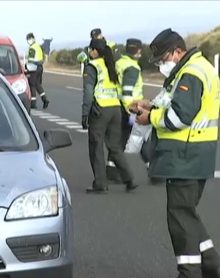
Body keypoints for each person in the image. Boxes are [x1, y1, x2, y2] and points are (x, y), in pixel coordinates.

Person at [132, 28, 220, 278]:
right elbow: (176, 104)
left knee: (179, 215)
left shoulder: (191, 73)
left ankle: (189, 272)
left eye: (162, 60)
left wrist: (150, 117)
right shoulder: (195, 68)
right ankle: (210, 262)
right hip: (194, 154)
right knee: (187, 212)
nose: (161, 65)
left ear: (177, 52)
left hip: (186, 155)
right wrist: (150, 105)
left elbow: (180, 116)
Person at [81, 38, 138, 194]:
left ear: (94, 51)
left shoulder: (92, 66)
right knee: (114, 147)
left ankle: (100, 183)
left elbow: (88, 92)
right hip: (115, 109)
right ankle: (129, 178)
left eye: (90, 49)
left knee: (96, 146)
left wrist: (85, 113)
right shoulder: (110, 65)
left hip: (100, 110)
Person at [106, 38, 151, 183]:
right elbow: (127, 91)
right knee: (141, 137)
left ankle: (111, 170)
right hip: (130, 108)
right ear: (137, 50)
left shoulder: (119, 63)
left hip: (117, 105)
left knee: (120, 140)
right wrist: (133, 110)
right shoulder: (132, 67)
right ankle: (153, 171)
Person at [25, 32, 49, 109]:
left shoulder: (32, 48)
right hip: (40, 67)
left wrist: (26, 68)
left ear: (33, 38)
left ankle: (33, 103)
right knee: (38, 84)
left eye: (29, 39)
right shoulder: (38, 46)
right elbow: (43, 57)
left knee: (32, 85)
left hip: (33, 68)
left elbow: (31, 60)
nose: (29, 41)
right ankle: (45, 99)